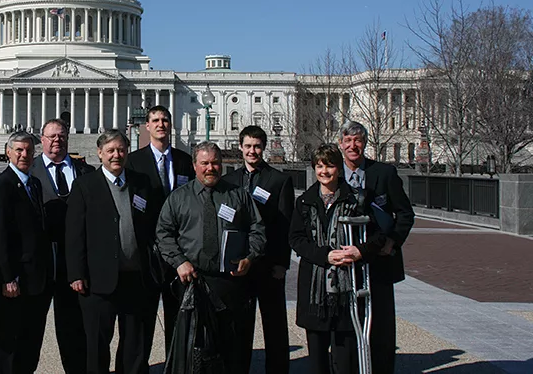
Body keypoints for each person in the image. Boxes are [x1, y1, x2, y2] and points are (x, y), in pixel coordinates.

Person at [156, 141, 266, 373]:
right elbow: (163, 234)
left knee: (231, 348)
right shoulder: (179, 198)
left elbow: (258, 229)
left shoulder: (238, 196)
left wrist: (250, 256)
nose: (210, 168)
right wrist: (179, 261)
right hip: (192, 282)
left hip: (230, 282)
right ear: (194, 165)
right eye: (204, 163)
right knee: (194, 352)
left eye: (215, 163)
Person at [66, 129, 163, 374]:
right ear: (100, 153)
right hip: (98, 279)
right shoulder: (85, 185)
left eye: (121, 150)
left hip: (135, 276)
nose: (116, 155)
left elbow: (152, 225)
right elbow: (74, 233)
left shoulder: (141, 183)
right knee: (97, 343)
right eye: (110, 150)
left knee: (134, 342)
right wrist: (76, 273)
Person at [289, 143, 385, 374]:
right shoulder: (305, 201)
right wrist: (325, 255)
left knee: (345, 360)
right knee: (318, 361)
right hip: (315, 289)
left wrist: (359, 251)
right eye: (319, 166)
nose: (324, 171)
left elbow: (378, 235)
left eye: (330, 166)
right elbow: (296, 239)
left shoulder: (356, 200)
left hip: (346, 290)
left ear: (339, 169)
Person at [338, 121, 415, 374]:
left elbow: (405, 214)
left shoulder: (384, 173)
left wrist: (394, 241)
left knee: (381, 328)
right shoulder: (333, 174)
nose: (353, 146)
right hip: (347, 263)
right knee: (348, 328)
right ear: (341, 144)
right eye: (348, 141)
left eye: (358, 140)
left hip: (379, 262)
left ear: (365, 143)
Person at [221, 125, 294, 373]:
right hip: (239, 263)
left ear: (263, 148)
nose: (252, 151)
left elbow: (285, 224)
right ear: (240, 147)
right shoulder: (229, 180)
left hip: (268, 263)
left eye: (257, 146)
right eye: (248, 146)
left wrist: (282, 264)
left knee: (274, 325)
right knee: (240, 325)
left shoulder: (279, 180)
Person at [125, 105, 195, 351]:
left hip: (180, 250)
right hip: (147, 251)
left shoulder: (185, 161)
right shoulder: (133, 161)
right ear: (147, 126)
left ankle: (175, 365)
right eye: (155, 120)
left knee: (178, 316)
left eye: (165, 120)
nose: (160, 124)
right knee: (143, 317)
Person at [28, 118, 95, 374]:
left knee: (74, 329)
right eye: (51, 136)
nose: (57, 140)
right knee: (31, 330)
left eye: (61, 136)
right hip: (40, 263)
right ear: (41, 139)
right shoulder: (28, 171)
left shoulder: (86, 172)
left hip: (74, 264)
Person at [0, 132, 53, 374]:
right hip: (14, 280)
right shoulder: (0, 186)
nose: (24, 155)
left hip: (36, 279)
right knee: (8, 342)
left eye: (28, 151)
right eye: (19, 150)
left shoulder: (33, 184)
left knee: (30, 341)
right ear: (8, 152)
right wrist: (6, 277)